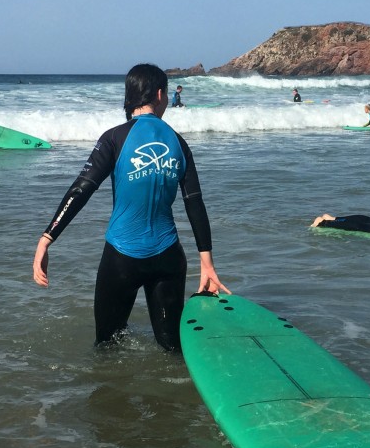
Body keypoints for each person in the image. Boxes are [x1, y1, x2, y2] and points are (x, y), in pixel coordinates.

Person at [31, 63, 228, 351]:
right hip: (169, 259)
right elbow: (194, 202)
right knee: (172, 348)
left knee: (107, 346)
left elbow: (82, 188)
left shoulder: (114, 137)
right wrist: (207, 263)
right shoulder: (179, 142)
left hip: (122, 258)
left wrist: (47, 238)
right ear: (160, 94)